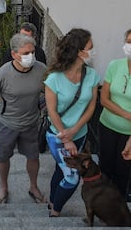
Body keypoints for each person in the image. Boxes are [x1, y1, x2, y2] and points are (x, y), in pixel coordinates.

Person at [44, 28, 100, 217]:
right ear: (79, 51)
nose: (93, 51)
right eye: (90, 47)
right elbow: (51, 111)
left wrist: (75, 130)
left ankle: (52, 199)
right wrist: (66, 137)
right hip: (57, 136)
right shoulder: (54, 79)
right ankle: (56, 211)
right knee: (72, 176)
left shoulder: (91, 75)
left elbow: (91, 107)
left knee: (61, 171)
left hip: (80, 134)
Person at [0, 33, 47, 204]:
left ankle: (33, 187)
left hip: (31, 123)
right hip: (7, 123)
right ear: (14, 54)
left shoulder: (42, 70)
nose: (31, 57)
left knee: (33, 157)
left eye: (33, 52)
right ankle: (4, 187)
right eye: (26, 53)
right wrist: (3, 107)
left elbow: (48, 90)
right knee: (3, 157)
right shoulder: (2, 74)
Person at [98, 29, 131, 199]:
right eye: (129, 41)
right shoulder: (115, 65)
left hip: (129, 134)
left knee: (122, 171)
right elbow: (104, 99)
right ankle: (101, 203)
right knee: (104, 167)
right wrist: (128, 115)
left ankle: (116, 207)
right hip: (107, 126)